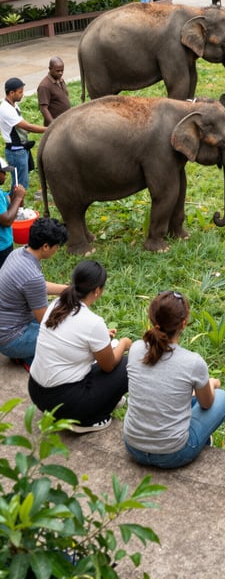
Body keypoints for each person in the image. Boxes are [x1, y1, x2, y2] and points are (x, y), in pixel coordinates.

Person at [123, 290, 225, 468]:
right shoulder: (193, 362)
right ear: (184, 323)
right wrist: (211, 383)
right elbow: (206, 404)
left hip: (133, 445)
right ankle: (199, 439)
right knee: (221, 397)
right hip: (172, 453)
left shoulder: (135, 349)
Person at [28, 261, 132, 433]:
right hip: (66, 404)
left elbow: (72, 338)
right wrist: (125, 343)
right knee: (126, 364)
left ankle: (102, 399)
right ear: (97, 290)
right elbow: (109, 365)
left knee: (108, 348)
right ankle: (90, 420)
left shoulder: (57, 304)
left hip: (37, 393)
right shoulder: (92, 322)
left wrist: (101, 338)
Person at [0, 217, 68, 368]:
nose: (57, 250)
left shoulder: (18, 253)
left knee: (58, 314)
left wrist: (65, 290)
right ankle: (30, 360)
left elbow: (34, 287)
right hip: (11, 339)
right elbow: (45, 322)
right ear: (45, 246)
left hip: (5, 328)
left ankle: (23, 353)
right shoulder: (32, 276)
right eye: (57, 246)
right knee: (63, 337)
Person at [0, 77, 46, 189]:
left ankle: (16, 205)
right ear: (11, 93)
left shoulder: (13, 105)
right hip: (15, 152)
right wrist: (49, 129)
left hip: (21, 149)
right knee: (19, 185)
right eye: (20, 92)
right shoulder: (6, 109)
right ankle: (14, 206)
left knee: (22, 182)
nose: (22, 94)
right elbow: (27, 126)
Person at [0, 156, 25, 268]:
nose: (5, 176)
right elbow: (7, 220)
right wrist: (18, 198)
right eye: (3, 172)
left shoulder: (1, 193)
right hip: (2, 247)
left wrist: (17, 198)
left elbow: (12, 205)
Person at [37, 56, 71, 126]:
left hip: (65, 121)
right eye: (57, 71)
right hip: (55, 125)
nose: (60, 73)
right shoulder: (44, 86)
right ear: (50, 69)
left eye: (62, 70)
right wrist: (53, 124)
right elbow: (43, 109)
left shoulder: (60, 80)